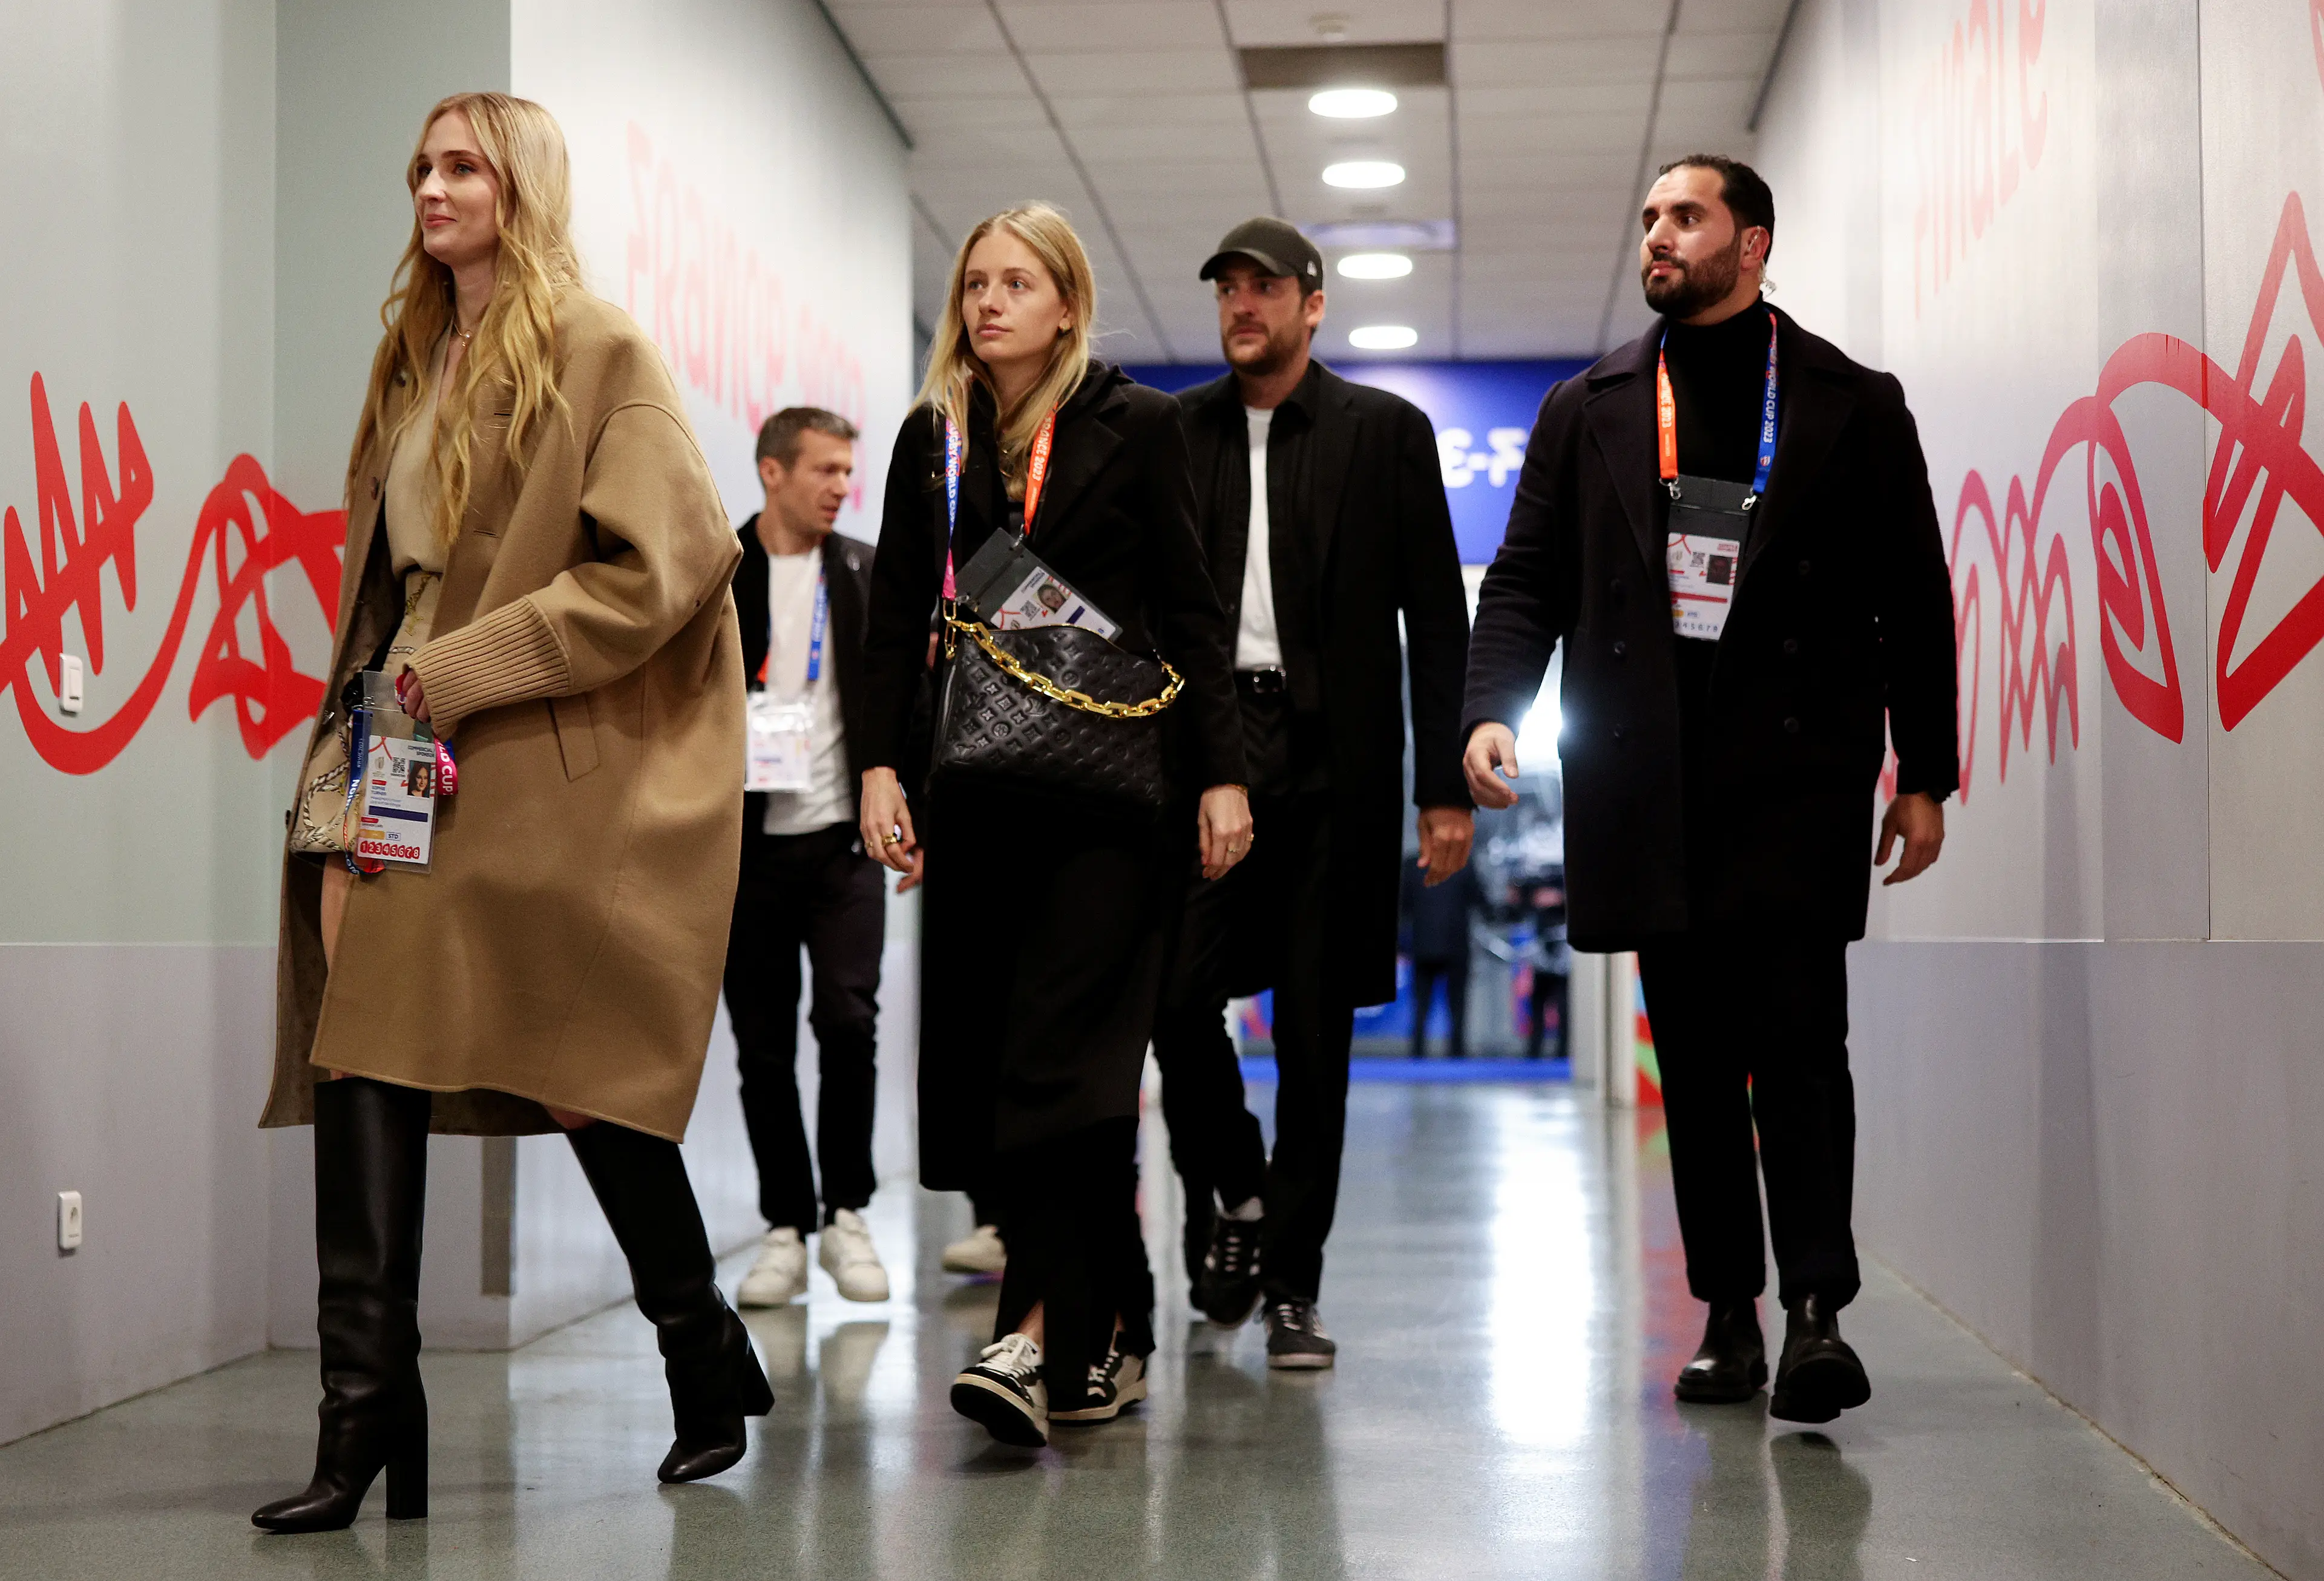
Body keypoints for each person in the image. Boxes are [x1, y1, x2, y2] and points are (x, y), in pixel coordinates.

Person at [256, 93, 767, 1531]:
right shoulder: (412, 356)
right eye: (421, 165)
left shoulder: (601, 349)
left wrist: (457, 673)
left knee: (567, 1063)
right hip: (392, 735)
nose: (431, 187)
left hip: (518, 741)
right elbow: (390, 573)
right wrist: (385, 701)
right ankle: (367, 1411)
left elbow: (666, 567)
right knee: (361, 1037)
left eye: (463, 166)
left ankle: (698, 1341)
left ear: (520, 187)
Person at [1462, 154, 1957, 1424]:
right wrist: (1490, 708)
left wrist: (1926, 772)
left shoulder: (1850, 400)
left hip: (1795, 773)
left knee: (1800, 1048)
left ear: (1753, 241)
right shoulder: (1589, 405)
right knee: (1691, 1057)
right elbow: (1524, 576)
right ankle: (1730, 1310)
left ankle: (1818, 1308)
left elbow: (1914, 594)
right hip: (1650, 776)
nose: (1659, 236)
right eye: (1650, 218)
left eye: (1686, 216)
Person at [858, 201, 1249, 1447]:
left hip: (1109, 800)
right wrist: (879, 767)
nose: (988, 302)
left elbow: (1192, 611)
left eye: (1017, 282)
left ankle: (1029, 1331)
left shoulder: (1141, 426)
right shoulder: (935, 437)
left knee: (1064, 1066)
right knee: (1000, 1074)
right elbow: (891, 618)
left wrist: (1222, 775)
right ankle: (1108, 1324)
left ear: (1068, 304)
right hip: (977, 792)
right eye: (975, 282)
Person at [1151, 217, 1473, 1366]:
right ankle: (1240, 1186)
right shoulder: (1172, 430)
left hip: (1336, 762)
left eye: (1265, 287)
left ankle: (1293, 1283)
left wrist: (1444, 786)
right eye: (1227, 289)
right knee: (1172, 996)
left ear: (1312, 304)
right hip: (1204, 750)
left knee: (1317, 1030)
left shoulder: (1383, 432)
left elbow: (1438, 616)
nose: (1243, 306)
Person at [725, 407, 901, 1310]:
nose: (842, 487)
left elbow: (904, 702)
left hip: (843, 844)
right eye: (825, 470)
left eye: (846, 471)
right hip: (744, 850)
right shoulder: (718, 572)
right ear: (773, 472)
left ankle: (848, 1215)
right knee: (762, 1047)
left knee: (848, 1023)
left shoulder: (865, 571)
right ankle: (785, 1229)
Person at [1403, 854, 1483, 1059]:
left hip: (1423, 945)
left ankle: (1417, 1051)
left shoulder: (1412, 866)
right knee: (1457, 1003)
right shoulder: (1463, 864)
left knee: (1421, 1003)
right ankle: (1457, 1051)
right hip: (1455, 946)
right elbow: (1479, 900)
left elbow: (1403, 907)